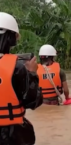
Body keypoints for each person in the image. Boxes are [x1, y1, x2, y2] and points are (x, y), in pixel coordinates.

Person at [0, 12, 43, 145]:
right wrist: (32, 74)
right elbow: (33, 102)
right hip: (10, 134)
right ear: (11, 38)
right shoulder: (17, 67)